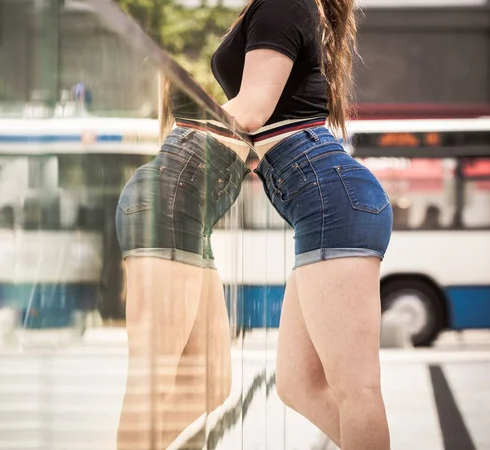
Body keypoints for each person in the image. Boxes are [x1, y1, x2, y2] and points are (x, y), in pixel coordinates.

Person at [213, 0, 393, 449]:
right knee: (298, 384)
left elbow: (252, 110)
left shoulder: (283, 2)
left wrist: (187, 127)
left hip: (333, 200)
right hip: (322, 202)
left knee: (357, 388)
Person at [115, 79, 251, 450]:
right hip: (170, 202)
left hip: (190, 211)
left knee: (211, 383)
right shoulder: (239, 44)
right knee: (151, 382)